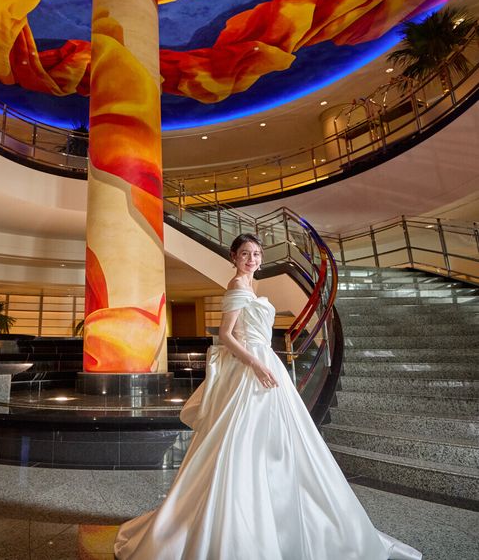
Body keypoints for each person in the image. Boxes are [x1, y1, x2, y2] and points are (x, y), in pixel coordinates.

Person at [114, 233, 421, 559]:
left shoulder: (251, 286)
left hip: (265, 363)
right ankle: (236, 522)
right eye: (245, 253)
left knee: (278, 441)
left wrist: (264, 362)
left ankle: (276, 511)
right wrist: (257, 364)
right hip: (250, 368)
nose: (252, 259)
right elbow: (226, 335)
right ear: (234, 257)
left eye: (257, 254)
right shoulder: (236, 285)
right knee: (241, 439)